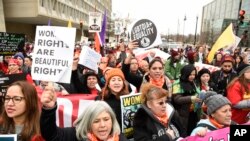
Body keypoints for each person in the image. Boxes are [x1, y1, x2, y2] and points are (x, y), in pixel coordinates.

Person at [40, 86, 127, 141]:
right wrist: (49, 109)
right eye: (96, 121)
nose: (102, 125)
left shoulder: (121, 138)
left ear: (112, 120)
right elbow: (51, 135)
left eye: (106, 119)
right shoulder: (76, 135)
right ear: (88, 122)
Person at [172, 64, 201, 135]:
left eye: (194, 75)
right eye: (190, 75)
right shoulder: (177, 83)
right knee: (184, 133)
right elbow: (177, 99)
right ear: (185, 74)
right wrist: (191, 98)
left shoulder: (193, 82)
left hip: (193, 112)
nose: (192, 77)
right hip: (182, 114)